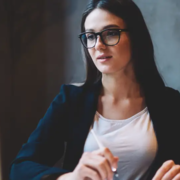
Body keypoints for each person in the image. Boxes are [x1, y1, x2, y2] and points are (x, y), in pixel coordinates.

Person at [10, 0, 180, 180]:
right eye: (90, 36)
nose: (98, 45)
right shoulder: (70, 100)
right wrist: (70, 178)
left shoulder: (170, 103)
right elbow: (20, 168)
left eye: (111, 33)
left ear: (136, 37)